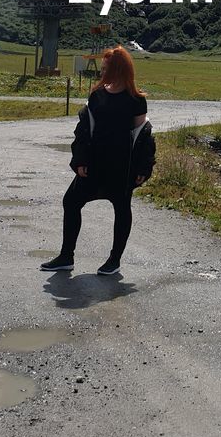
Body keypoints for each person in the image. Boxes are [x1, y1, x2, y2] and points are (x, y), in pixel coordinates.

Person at [40, 46, 155, 276]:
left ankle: (114, 260)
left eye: (106, 69)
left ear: (119, 69)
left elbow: (143, 136)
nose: (102, 73)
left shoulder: (136, 99)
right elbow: (84, 130)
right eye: (102, 68)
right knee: (71, 202)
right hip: (94, 164)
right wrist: (80, 159)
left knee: (122, 209)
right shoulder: (97, 95)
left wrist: (143, 166)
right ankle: (66, 257)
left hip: (122, 167)